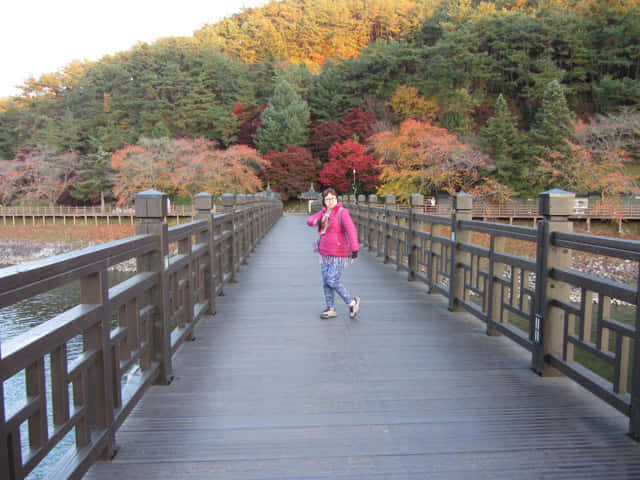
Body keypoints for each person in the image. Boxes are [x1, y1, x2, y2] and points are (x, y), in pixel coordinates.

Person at [307, 188, 361, 319]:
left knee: (332, 280)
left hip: (339, 252)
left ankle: (351, 302)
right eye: (327, 199)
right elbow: (310, 220)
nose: (330, 201)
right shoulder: (324, 212)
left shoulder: (342, 213)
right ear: (324, 201)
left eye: (332, 198)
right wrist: (316, 221)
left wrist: (354, 250)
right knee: (326, 282)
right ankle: (330, 308)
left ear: (337, 199)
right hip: (324, 251)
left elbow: (351, 231)